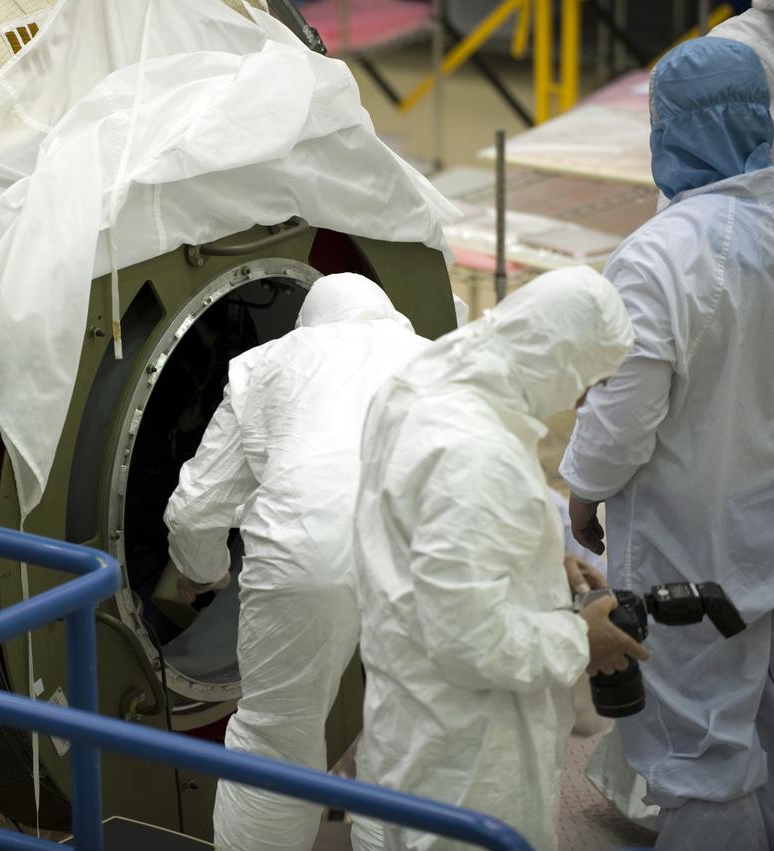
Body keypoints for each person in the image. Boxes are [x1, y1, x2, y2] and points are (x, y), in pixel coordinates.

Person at [349, 266, 649, 851]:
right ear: (558, 356)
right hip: (471, 753)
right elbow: (468, 638)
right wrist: (580, 640)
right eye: (589, 380)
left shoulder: (425, 388)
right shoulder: (476, 454)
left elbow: (431, 547)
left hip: (413, 712)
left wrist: (542, 565)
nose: (584, 399)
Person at [560, 37, 774, 850]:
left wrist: (581, 495)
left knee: (703, 755)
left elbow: (621, 421)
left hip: (699, 554)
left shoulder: (662, 256)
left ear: (668, 131)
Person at [163, 273, 430, 851]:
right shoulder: (438, 360)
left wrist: (203, 571)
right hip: (424, 551)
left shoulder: (268, 363)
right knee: (409, 739)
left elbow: (195, 510)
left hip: (305, 549)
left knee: (275, 741)